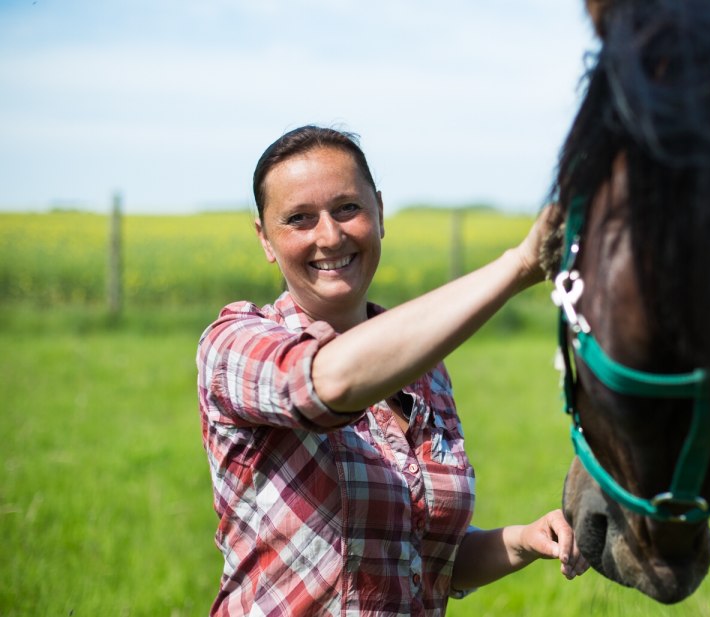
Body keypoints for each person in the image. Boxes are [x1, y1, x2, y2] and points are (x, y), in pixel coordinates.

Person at [196, 125, 587, 616]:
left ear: (379, 212)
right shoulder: (233, 344)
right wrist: (520, 265)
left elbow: (423, 559)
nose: (330, 235)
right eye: (299, 219)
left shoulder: (425, 371)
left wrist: (521, 541)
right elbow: (330, 381)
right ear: (265, 239)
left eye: (347, 208)